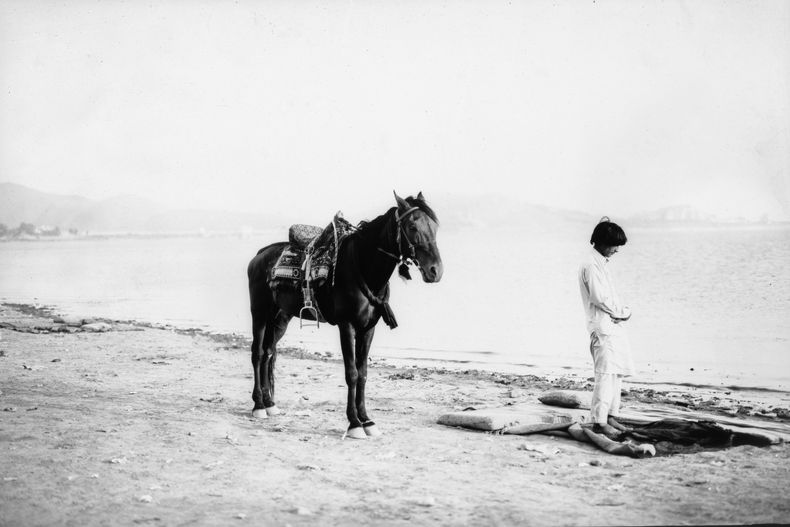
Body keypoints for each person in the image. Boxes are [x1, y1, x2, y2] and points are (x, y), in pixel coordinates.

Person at [578, 217, 634, 439]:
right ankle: (599, 422)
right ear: (601, 242)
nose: (616, 250)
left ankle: (611, 416)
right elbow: (599, 298)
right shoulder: (591, 264)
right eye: (614, 245)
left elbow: (607, 297)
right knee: (604, 374)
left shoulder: (601, 263)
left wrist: (621, 312)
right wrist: (621, 313)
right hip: (602, 326)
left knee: (616, 373)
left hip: (610, 325)